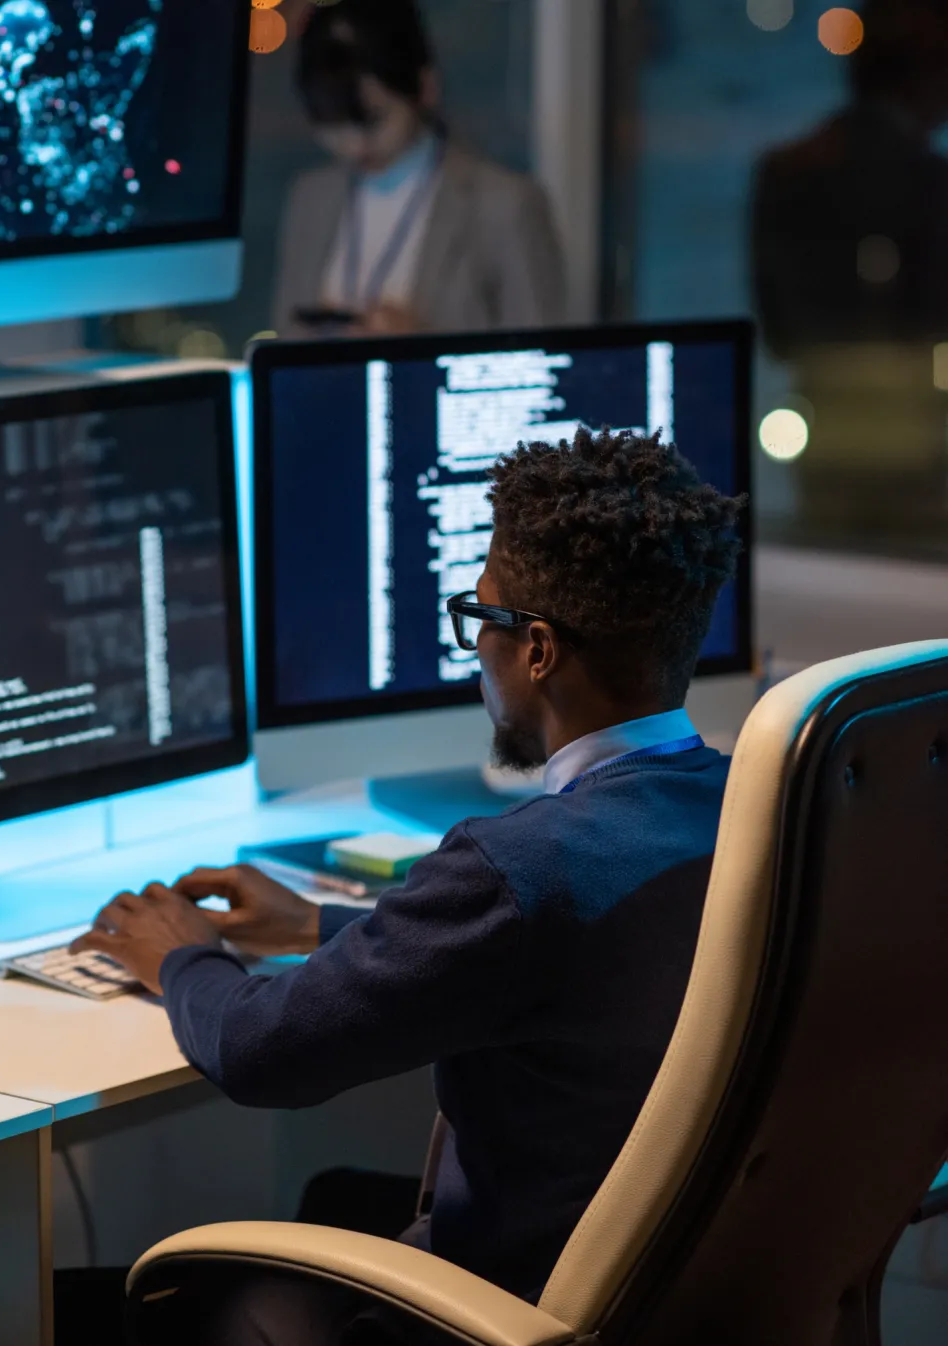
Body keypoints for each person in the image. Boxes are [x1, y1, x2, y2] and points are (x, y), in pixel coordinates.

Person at [73, 428, 743, 1343]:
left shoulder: (520, 868)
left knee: (138, 1304)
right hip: (676, 1288)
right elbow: (574, 948)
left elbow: (262, 1052)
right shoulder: (754, 807)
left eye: (481, 617)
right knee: (334, 1200)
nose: (476, 651)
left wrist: (185, 958)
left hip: (519, 1306)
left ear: (537, 650)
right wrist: (325, 920)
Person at [750, 0, 948, 541]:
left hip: (827, 435)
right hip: (914, 441)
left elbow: (781, 333)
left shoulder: (790, 170)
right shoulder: (927, 182)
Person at [271, 0, 566, 339]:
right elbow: (286, 342)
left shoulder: (505, 205)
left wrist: (420, 349)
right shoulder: (311, 198)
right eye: (334, 126)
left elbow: (539, 366)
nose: (355, 146)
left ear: (425, 88)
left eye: (374, 121)